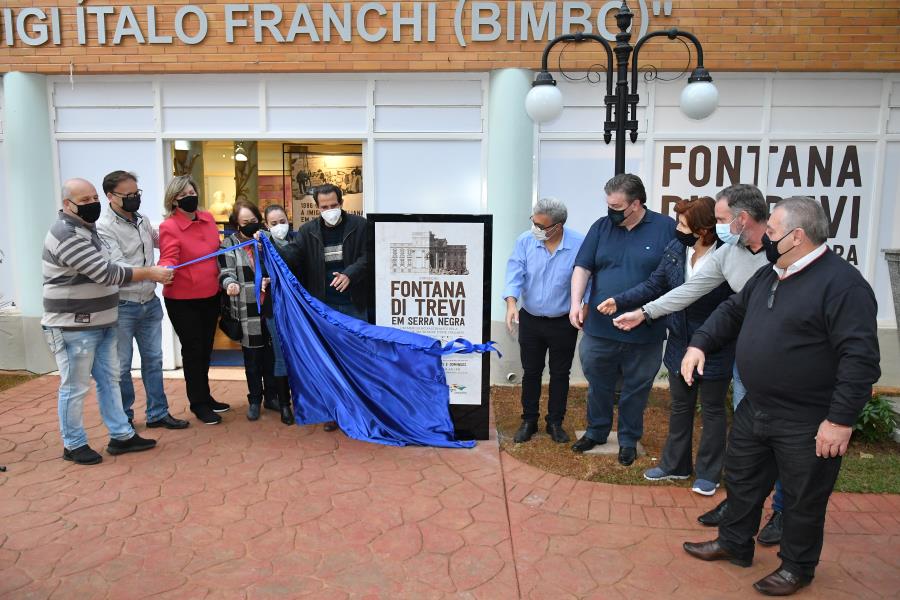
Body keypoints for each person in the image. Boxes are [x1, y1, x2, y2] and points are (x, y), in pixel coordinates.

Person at [680, 196, 880, 597]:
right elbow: (733, 312)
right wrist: (699, 343)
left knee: (804, 498)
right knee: (741, 479)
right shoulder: (772, 272)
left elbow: (859, 359)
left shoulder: (843, 285)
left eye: (771, 230)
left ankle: (797, 567)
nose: (765, 237)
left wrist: (840, 421)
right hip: (758, 407)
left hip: (809, 418)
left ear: (798, 236)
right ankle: (734, 542)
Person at [612, 184, 784, 544]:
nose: (717, 227)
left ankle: (782, 512)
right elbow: (691, 291)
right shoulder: (729, 252)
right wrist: (644, 313)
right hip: (747, 355)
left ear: (742, 219)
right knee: (748, 435)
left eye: (721, 219)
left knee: (783, 438)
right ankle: (741, 506)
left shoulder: (780, 253)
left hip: (781, 359)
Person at [598, 197, 733, 495]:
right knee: (680, 406)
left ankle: (709, 474)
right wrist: (621, 300)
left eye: (684, 224)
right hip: (679, 340)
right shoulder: (676, 249)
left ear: (704, 229)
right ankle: (675, 465)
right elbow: (654, 284)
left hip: (715, 342)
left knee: (711, 409)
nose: (678, 228)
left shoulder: (728, 255)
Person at [42, 178, 172, 465]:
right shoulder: (66, 233)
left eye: (93, 198)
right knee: (75, 386)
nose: (92, 204)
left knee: (110, 381)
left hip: (103, 320)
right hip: (72, 325)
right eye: (84, 200)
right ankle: (73, 444)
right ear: (67, 204)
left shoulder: (87, 229)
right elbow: (106, 272)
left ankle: (121, 435)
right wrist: (150, 273)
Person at [569, 174, 675, 466]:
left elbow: (672, 277)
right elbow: (582, 267)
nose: (610, 211)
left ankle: (628, 439)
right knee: (598, 383)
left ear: (636, 204)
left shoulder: (666, 228)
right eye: (608, 205)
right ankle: (596, 431)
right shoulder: (601, 227)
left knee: (636, 389)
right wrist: (575, 302)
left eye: (616, 206)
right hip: (600, 330)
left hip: (645, 331)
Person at [97, 170, 189, 431]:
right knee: (122, 366)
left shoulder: (142, 220)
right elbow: (115, 269)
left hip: (149, 302)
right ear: (110, 196)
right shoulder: (104, 228)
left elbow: (165, 240)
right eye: (128, 195)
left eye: (137, 194)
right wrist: (153, 273)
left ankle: (158, 413)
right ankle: (124, 418)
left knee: (154, 360)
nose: (134, 199)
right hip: (122, 306)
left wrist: (187, 230)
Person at [503, 197, 585, 444]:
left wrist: (584, 308)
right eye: (533, 222)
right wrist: (511, 303)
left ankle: (555, 422)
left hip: (563, 322)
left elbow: (588, 279)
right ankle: (529, 420)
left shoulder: (579, 244)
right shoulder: (525, 241)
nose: (535, 228)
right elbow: (514, 272)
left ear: (557, 226)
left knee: (561, 373)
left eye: (540, 225)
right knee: (531, 372)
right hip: (531, 319)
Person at [290, 183, 370, 432]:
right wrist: (273, 248)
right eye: (324, 207)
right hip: (323, 306)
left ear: (342, 203)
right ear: (317, 208)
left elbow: (369, 256)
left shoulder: (361, 226)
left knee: (357, 358)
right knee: (329, 360)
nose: (330, 210)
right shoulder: (306, 231)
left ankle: (360, 410)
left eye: (334, 205)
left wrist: (350, 274)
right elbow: (295, 261)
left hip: (354, 304)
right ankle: (334, 411)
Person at [158, 175, 231, 425]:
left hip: (210, 294)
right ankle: (198, 403)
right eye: (183, 195)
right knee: (193, 351)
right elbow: (169, 256)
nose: (190, 197)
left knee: (207, 348)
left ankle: (206, 397)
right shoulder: (169, 226)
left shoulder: (208, 218)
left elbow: (217, 249)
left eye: (192, 192)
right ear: (174, 200)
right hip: (183, 299)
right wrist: (164, 269)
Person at [219, 200, 276, 421]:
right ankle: (254, 399)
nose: (250, 225)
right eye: (245, 222)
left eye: (254, 221)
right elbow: (226, 272)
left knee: (272, 356)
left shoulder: (266, 239)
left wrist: (265, 250)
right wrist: (229, 284)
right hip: (247, 309)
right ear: (236, 224)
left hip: (270, 307)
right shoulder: (228, 245)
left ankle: (272, 397)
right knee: (252, 359)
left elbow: (279, 266)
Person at [263, 204, 301, 425]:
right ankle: (284, 405)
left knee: (300, 354)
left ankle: (301, 400)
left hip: (298, 309)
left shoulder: (298, 243)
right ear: (267, 225)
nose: (280, 227)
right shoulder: (262, 247)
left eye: (283, 222)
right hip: (275, 309)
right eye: (274, 224)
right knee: (281, 356)